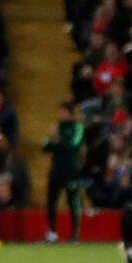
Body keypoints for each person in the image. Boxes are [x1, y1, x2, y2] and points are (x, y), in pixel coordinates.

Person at [43, 101, 85, 242]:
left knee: (72, 201)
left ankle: (74, 235)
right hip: (56, 169)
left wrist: (57, 141)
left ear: (71, 113)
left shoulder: (77, 127)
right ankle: (52, 233)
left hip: (72, 170)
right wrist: (52, 140)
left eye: (64, 111)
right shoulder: (57, 127)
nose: (61, 114)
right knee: (51, 202)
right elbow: (45, 146)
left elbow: (74, 143)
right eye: (60, 111)